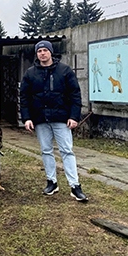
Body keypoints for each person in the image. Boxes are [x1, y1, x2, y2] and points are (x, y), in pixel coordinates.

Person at [19, 40, 88, 201]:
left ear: (50, 52)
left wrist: (74, 116)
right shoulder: (30, 73)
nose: (42, 53)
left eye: (45, 50)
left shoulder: (64, 71)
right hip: (40, 119)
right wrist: (27, 118)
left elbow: (75, 94)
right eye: (39, 51)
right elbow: (25, 97)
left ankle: (75, 186)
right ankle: (52, 182)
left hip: (61, 119)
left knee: (67, 150)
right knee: (46, 150)